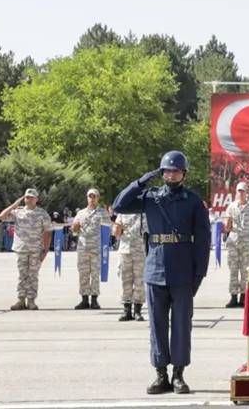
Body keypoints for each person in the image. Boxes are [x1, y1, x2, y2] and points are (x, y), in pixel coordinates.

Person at [113, 150, 211, 395]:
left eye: (176, 171)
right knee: (157, 326)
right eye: (167, 171)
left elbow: (202, 239)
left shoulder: (193, 201)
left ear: (184, 174)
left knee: (181, 325)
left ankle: (178, 374)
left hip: (183, 270)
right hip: (155, 269)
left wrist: (200, 273)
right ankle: (160, 374)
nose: (171, 174)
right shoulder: (151, 197)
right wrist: (141, 181)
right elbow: (119, 205)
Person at [0, 189, 52, 310]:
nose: (29, 199)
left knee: (33, 275)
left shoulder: (42, 214)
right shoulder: (18, 212)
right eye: (27, 197)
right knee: (22, 275)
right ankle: (21, 300)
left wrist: (45, 250)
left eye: (32, 197)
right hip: (21, 249)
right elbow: (1, 217)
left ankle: (31, 300)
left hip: (35, 249)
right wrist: (14, 204)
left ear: (37, 199)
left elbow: (48, 232)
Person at [71, 189, 112, 310]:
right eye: (90, 196)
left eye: (94, 196)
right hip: (83, 248)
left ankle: (94, 299)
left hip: (96, 248)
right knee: (83, 274)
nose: (92, 198)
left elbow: (108, 229)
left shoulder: (102, 213)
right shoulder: (80, 213)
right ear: (87, 198)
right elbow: (74, 231)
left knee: (95, 275)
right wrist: (75, 228)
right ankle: (84, 299)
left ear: (98, 198)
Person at [223, 181, 249, 309]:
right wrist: (225, 225)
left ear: (247, 193)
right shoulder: (231, 207)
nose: (241, 193)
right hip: (233, 243)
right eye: (239, 191)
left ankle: (244, 298)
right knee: (233, 270)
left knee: (245, 271)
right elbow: (227, 227)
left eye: (243, 191)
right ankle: (233, 297)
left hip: (246, 244)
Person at [114, 209, 146, 322]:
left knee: (139, 281)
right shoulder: (122, 213)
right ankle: (126, 310)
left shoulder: (145, 213)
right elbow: (116, 233)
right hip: (125, 251)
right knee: (125, 281)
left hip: (140, 251)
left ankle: (137, 310)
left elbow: (149, 231)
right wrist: (117, 229)